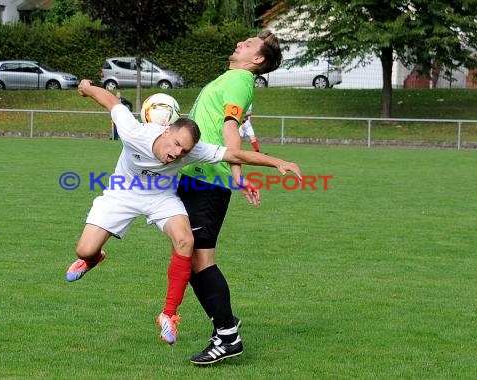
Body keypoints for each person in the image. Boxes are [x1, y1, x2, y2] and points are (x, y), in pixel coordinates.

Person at [66, 79, 301, 347]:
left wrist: (278, 162)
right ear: (166, 131)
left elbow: (236, 153)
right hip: (122, 194)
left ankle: (169, 314)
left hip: (161, 198)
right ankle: (94, 259)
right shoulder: (134, 132)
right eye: (176, 144)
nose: (177, 154)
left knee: (186, 241)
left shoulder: (192, 151)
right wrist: (86, 87)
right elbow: (111, 101)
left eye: (184, 151)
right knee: (84, 250)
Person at [177, 30, 283, 365]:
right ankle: (225, 328)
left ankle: (227, 335)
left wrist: (235, 174)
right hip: (198, 178)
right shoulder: (232, 77)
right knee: (190, 261)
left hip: (206, 182)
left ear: (258, 59)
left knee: (199, 261)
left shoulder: (240, 79)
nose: (240, 44)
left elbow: (229, 128)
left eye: (249, 44)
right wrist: (239, 177)